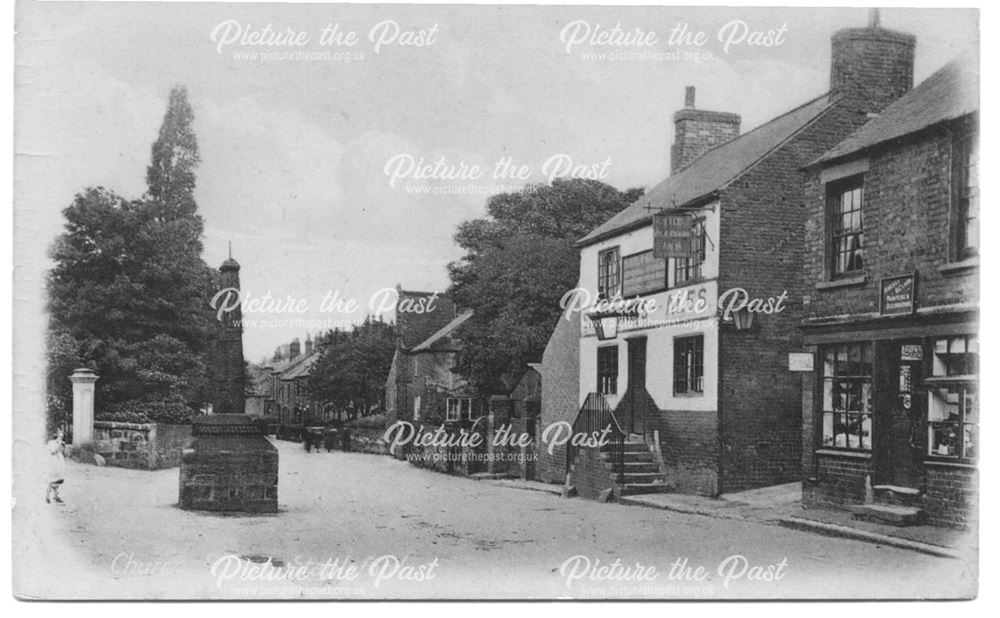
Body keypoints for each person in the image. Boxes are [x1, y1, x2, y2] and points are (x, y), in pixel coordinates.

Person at [46, 428, 67, 504]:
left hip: (60, 462)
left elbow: (64, 453)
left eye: (62, 436)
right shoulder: (51, 443)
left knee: (59, 479)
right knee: (53, 479)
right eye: (59, 435)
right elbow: (53, 452)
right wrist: (58, 446)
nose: (61, 437)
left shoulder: (62, 442)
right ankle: (47, 495)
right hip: (53, 462)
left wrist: (62, 447)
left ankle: (56, 496)